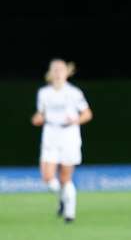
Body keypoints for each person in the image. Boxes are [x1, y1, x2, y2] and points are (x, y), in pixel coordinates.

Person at [31, 59, 93, 223]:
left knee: (65, 178)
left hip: (69, 136)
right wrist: (38, 118)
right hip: (50, 134)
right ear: (50, 73)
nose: (58, 72)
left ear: (67, 72)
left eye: (61, 69)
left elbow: (87, 114)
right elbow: (41, 114)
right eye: (55, 69)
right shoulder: (44, 93)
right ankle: (64, 198)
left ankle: (69, 213)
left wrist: (75, 121)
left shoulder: (74, 93)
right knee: (47, 177)